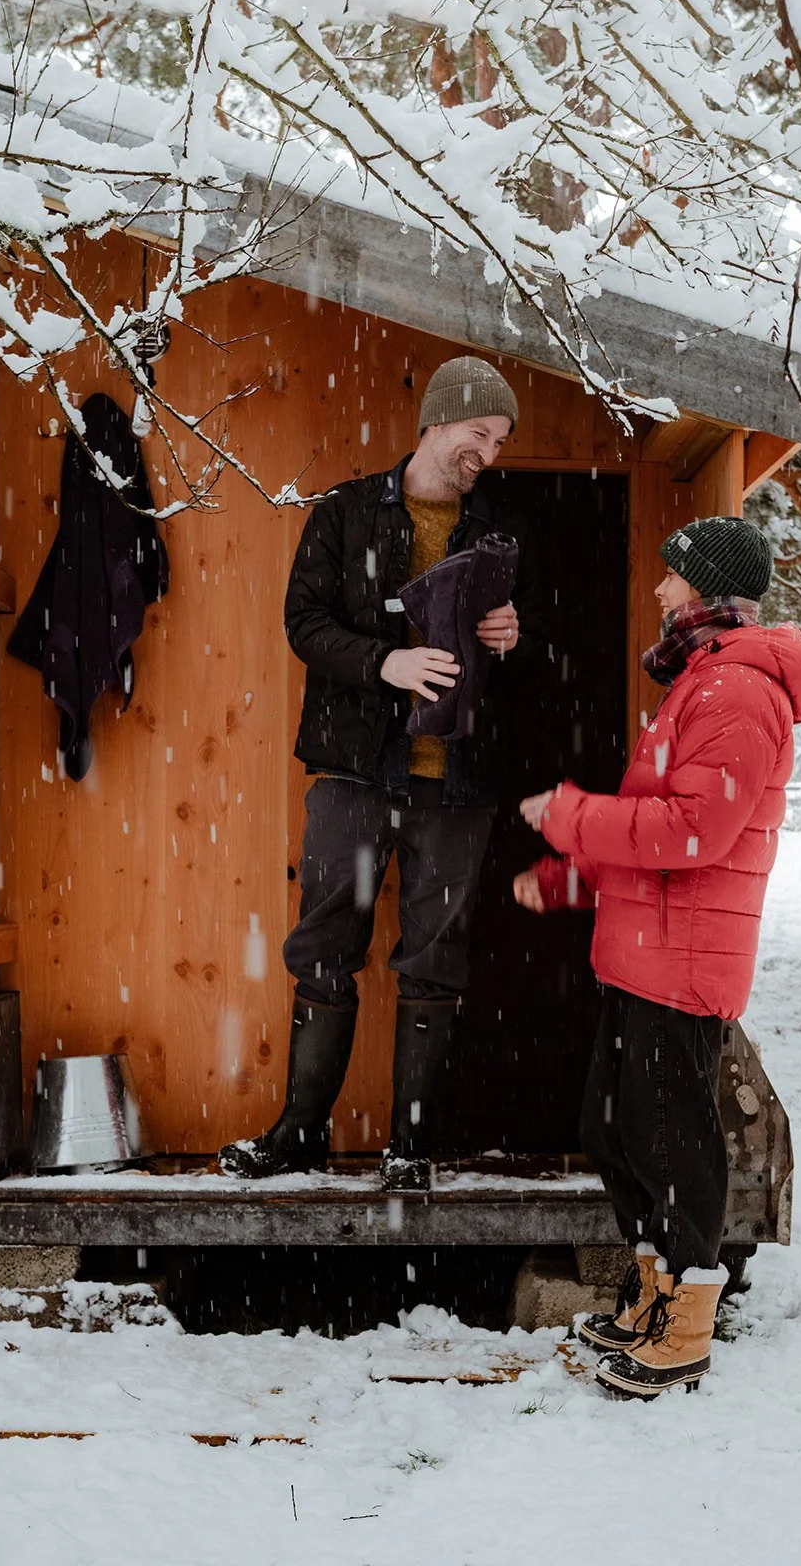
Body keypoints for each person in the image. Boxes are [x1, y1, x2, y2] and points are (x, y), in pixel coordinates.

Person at [514, 514, 801, 1397]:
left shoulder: (736, 690)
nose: (657, 590)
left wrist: (570, 815)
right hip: (642, 949)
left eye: (672, 576)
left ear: (708, 590)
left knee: (671, 1139)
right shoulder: (700, 680)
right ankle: (652, 1292)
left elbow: (693, 831)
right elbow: (663, 833)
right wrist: (570, 877)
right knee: (613, 1131)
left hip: (683, 961)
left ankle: (687, 1318)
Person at [220, 356, 543, 1191]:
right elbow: (303, 624)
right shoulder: (348, 512)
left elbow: (510, 646)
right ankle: (299, 1134)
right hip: (353, 773)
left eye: (499, 441)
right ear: (437, 420)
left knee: (434, 957)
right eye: (480, 434)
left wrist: (508, 638)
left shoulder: (495, 527)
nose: (489, 453)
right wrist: (384, 666)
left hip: (456, 783)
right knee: (325, 946)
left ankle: (409, 1150)